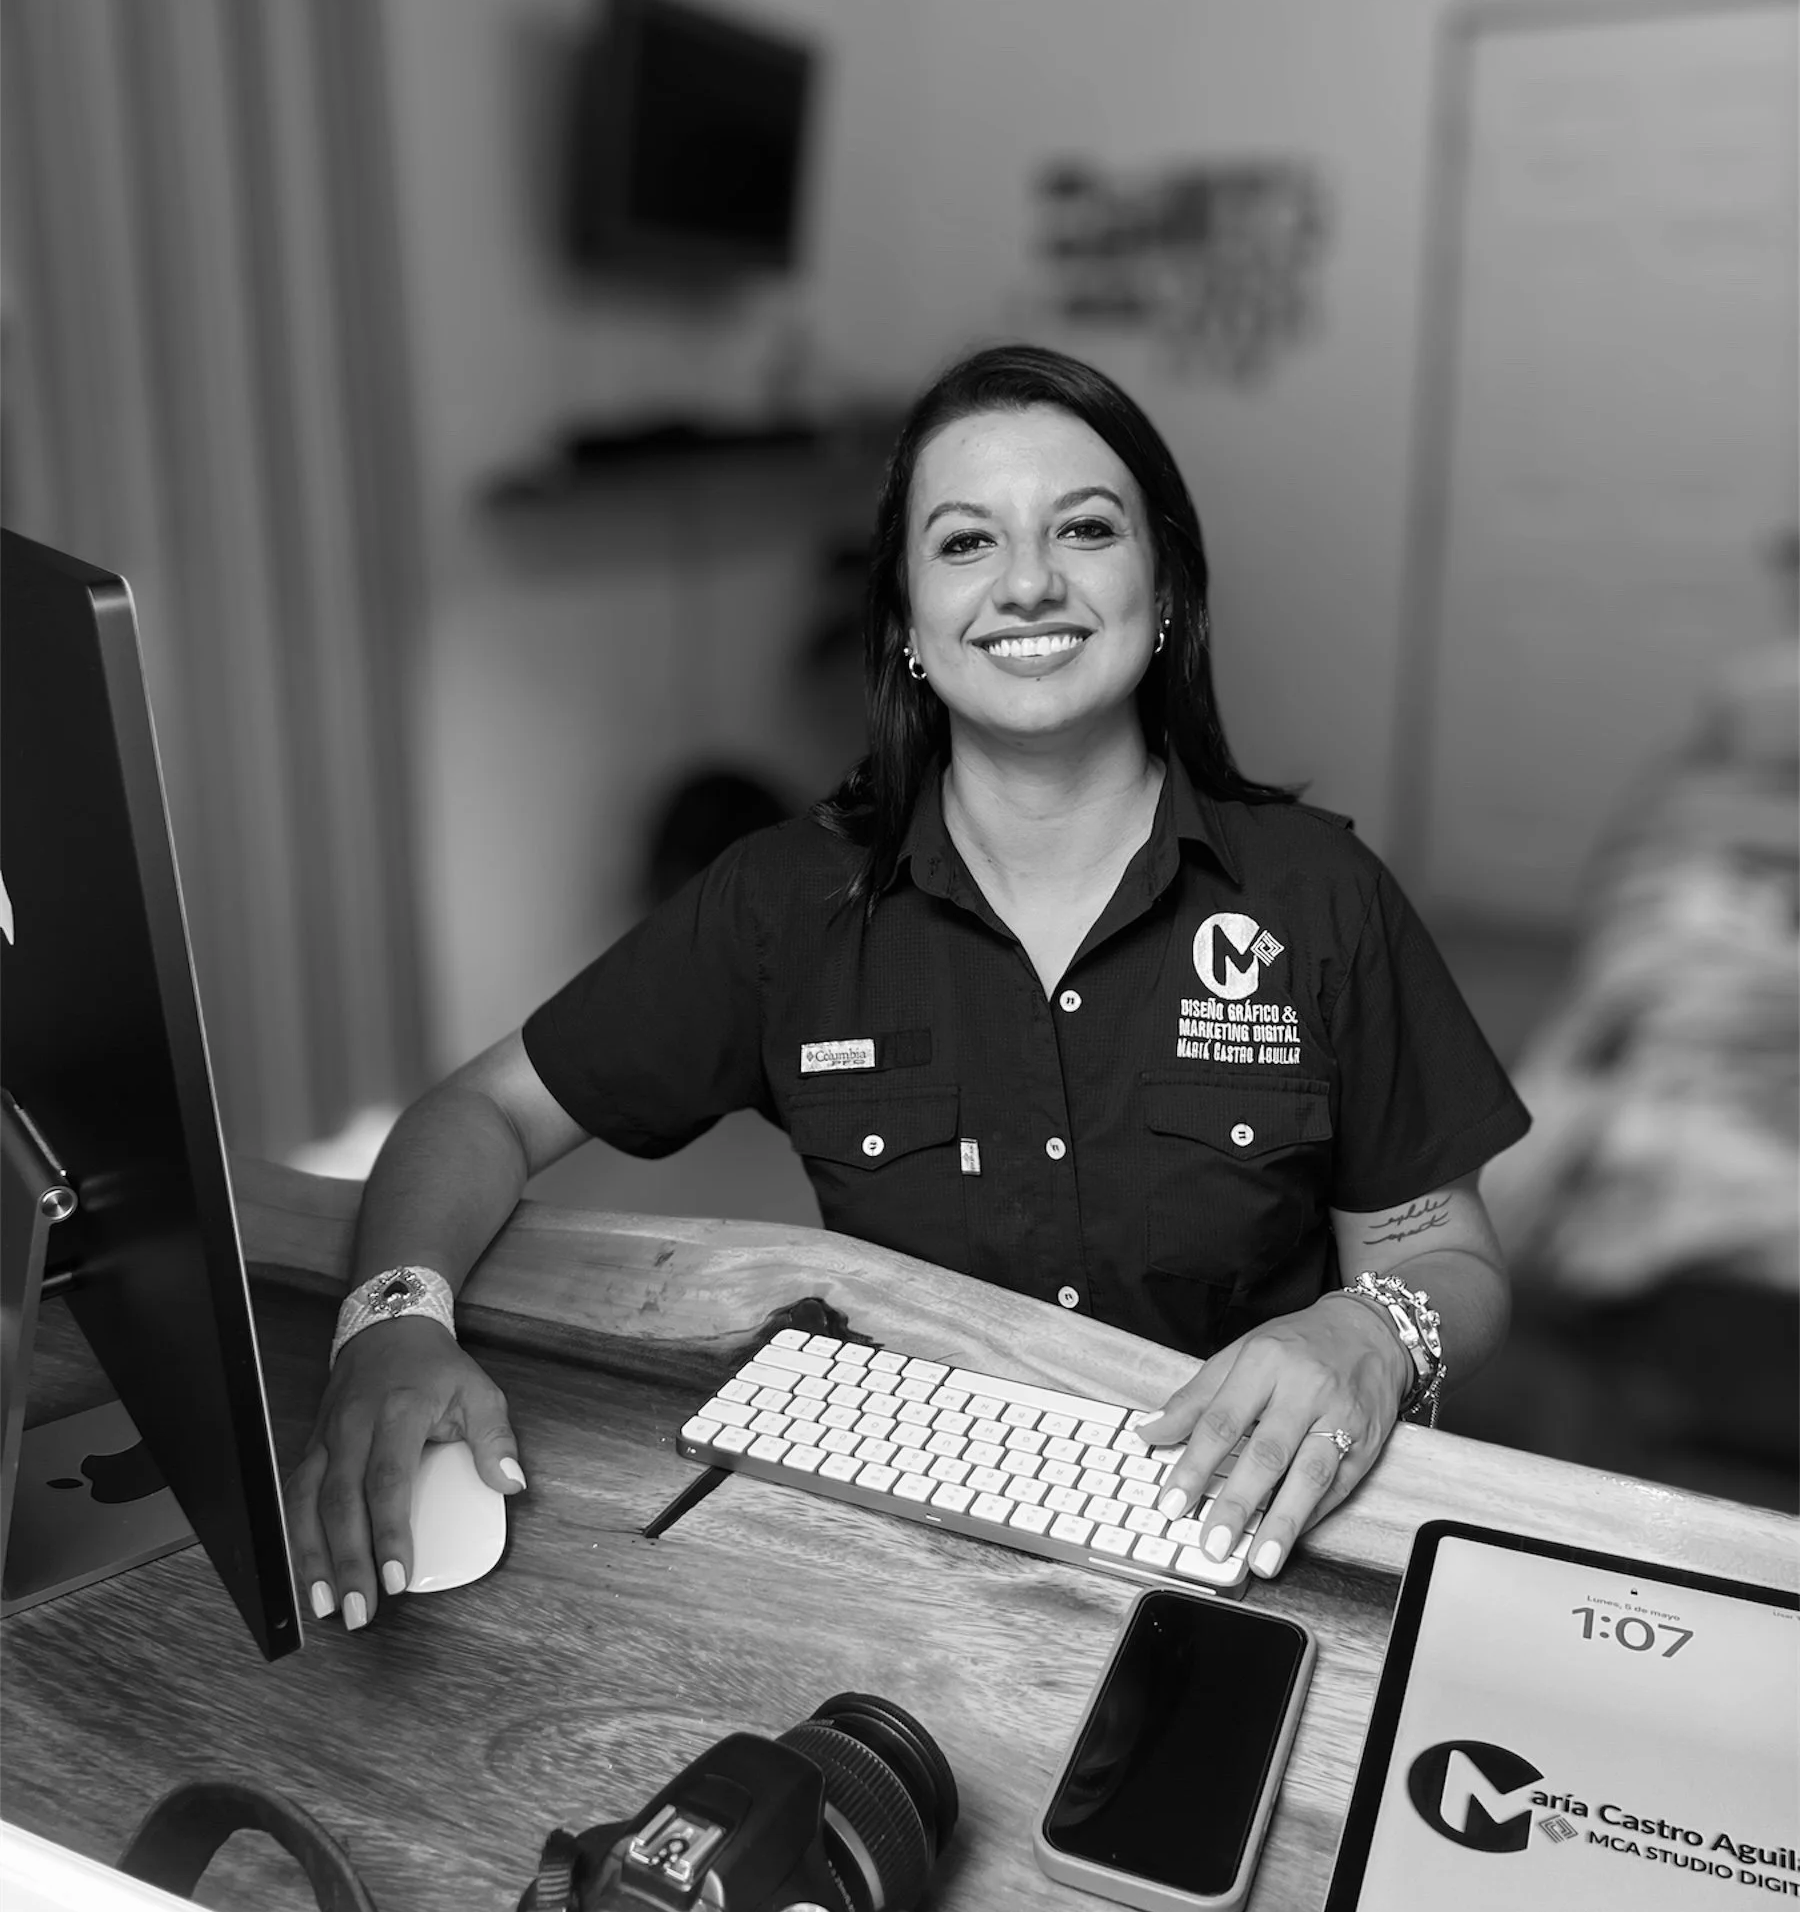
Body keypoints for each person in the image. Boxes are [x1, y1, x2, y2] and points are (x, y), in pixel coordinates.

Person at [286, 344, 1525, 1631]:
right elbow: (477, 1114)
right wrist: (392, 1321)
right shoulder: (788, 905)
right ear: (908, 628)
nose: (1030, 581)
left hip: (1237, 1546)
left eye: (1085, 530)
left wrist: (1369, 1335)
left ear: (1163, 591)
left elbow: (1448, 1254)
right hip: (902, 1540)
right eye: (966, 543)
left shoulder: (1318, 898)